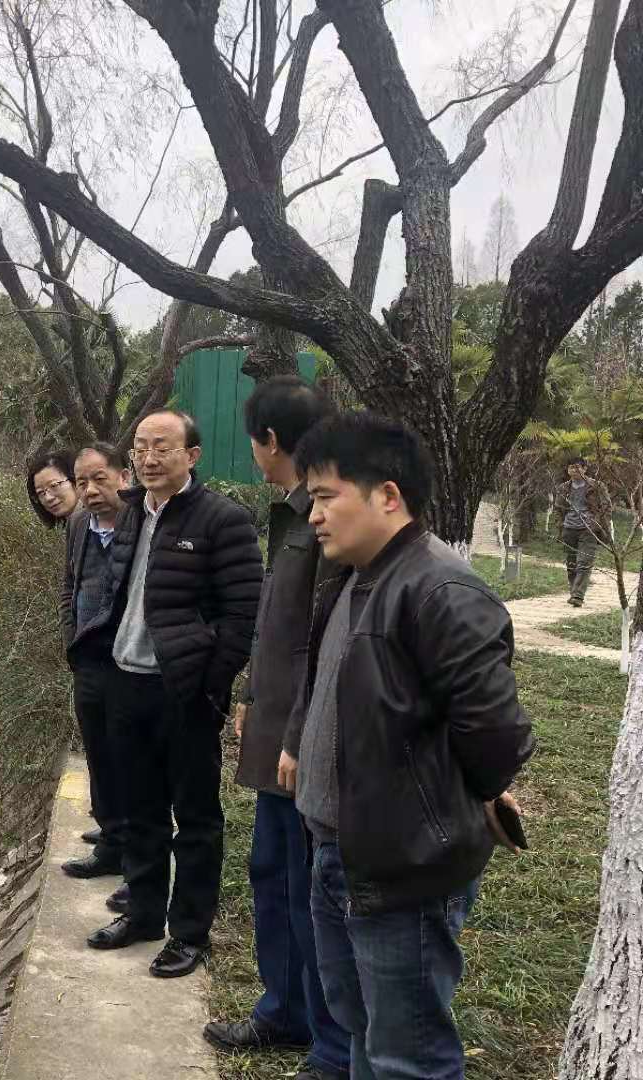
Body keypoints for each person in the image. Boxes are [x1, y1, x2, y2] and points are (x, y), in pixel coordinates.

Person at [286, 412, 534, 1080]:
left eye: (325, 496)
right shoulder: (355, 577)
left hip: (404, 864)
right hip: (340, 850)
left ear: (387, 496)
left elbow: (497, 732)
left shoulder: (441, 588)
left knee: (409, 1054)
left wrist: (463, 797)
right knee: (363, 1029)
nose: (314, 514)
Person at [203, 377, 348, 1080]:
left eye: (253, 441)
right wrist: (251, 695)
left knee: (309, 888)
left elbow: (323, 644)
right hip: (276, 727)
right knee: (273, 874)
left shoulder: (322, 521)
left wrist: (293, 734)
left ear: (268, 440)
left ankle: (330, 1044)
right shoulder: (291, 513)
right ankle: (283, 1009)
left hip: (302, 741)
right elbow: (277, 626)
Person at [86, 409, 262, 979]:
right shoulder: (132, 511)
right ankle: (142, 913)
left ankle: (189, 932)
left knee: (196, 817)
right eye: (140, 447)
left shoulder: (222, 520)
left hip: (183, 693)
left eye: (162, 447)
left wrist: (210, 686)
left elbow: (242, 616)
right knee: (139, 810)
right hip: (125, 683)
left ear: (193, 455)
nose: (148, 458)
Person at [59, 442, 131, 879]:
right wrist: (71, 635)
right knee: (98, 752)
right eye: (81, 482)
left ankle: (127, 843)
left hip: (128, 662)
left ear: (124, 476)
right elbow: (69, 583)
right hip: (87, 658)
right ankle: (110, 836)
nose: (90, 490)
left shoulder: (142, 523)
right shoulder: (78, 524)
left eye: (100, 479)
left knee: (128, 756)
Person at [553, 457, 611, 607]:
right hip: (569, 528)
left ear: (585, 469)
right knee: (571, 564)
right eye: (571, 467)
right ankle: (574, 592)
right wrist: (560, 525)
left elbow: (606, 507)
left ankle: (578, 596)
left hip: (589, 529)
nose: (575, 470)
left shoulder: (596, 486)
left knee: (584, 563)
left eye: (578, 467)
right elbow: (558, 509)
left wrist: (596, 524)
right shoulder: (563, 488)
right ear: (568, 470)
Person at [27, 448, 79, 526]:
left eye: (54, 485)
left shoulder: (95, 523)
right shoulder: (75, 526)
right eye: (40, 492)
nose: (48, 498)